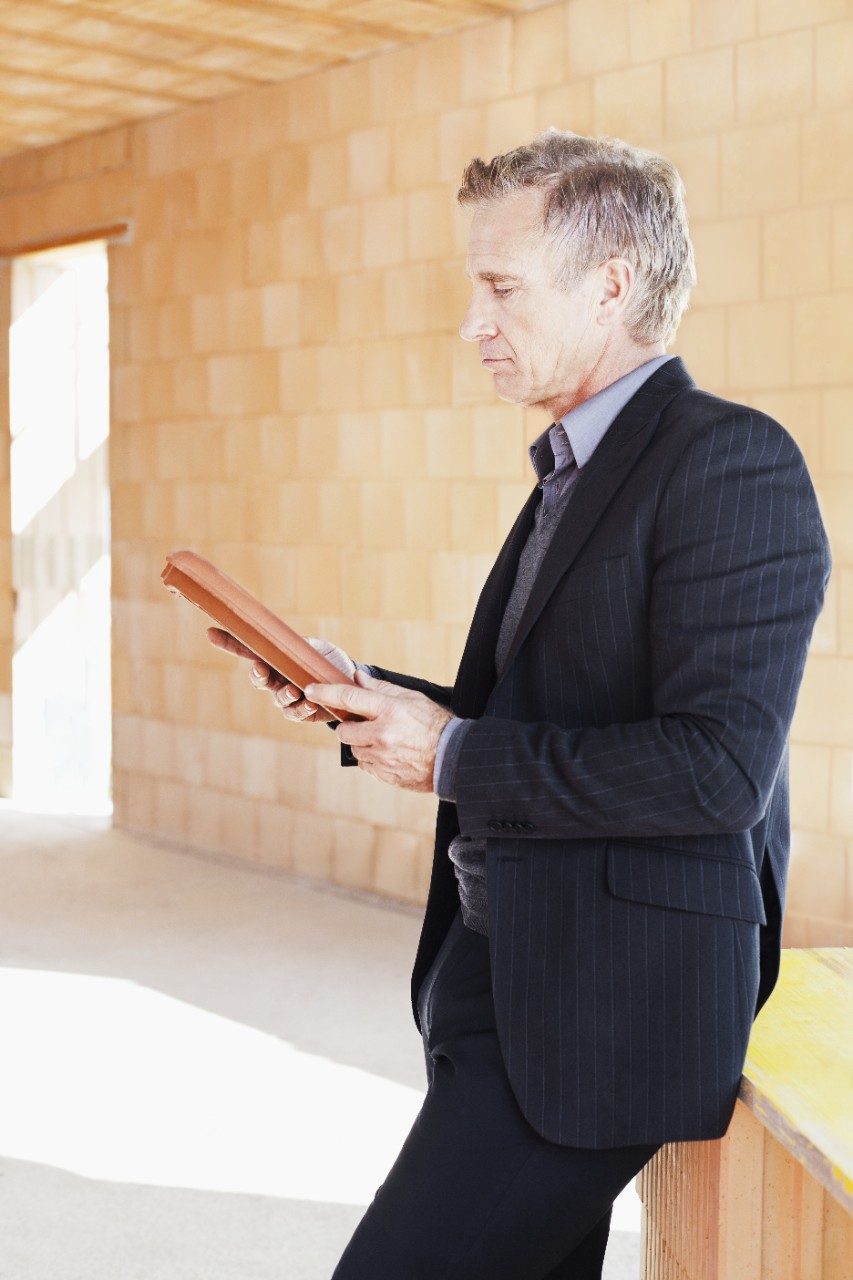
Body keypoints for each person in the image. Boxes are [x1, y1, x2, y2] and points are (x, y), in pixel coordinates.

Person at [209, 131, 832, 1279]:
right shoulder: (573, 470)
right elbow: (532, 710)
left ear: (611, 284)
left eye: (500, 286)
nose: (471, 323)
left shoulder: (729, 462)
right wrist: (371, 700)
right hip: (498, 973)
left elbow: (713, 771)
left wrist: (448, 755)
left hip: (607, 1010)